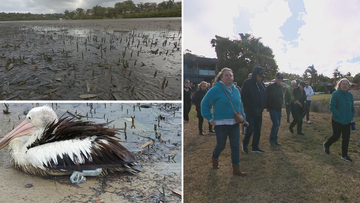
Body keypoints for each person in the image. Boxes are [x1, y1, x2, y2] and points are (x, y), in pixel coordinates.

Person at [201, 67, 248, 176]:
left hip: (234, 123)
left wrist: (244, 119)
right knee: (221, 145)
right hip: (221, 124)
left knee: (235, 146)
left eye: (231, 75)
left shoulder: (236, 90)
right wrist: (210, 118)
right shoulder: (215, 90)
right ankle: (215, 158)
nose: (229, 77)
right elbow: (204, 104)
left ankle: (236, 169)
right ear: (221, 77)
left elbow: (239, 106)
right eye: (226, 75)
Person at [323, 78, 355, 162]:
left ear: (348, 86)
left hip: (347, 121)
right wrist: (338, 116)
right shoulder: (336, 94)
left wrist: (351, 115)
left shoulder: (350, 95)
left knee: (346, 138)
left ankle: (344, 155)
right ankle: (326, 144)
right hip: (337, 120)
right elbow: (332, 106)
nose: (345, 85)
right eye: (343, 84)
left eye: (346, 84)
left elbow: (352, 107)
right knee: (336, 136)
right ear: (339, 85)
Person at [241, 66, 267, 153]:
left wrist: (263, 106)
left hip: (259, 112)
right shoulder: (247, 83)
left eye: (262, 76)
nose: (261, 77)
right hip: (250, 112)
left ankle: (255, 147)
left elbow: (264, 96)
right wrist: (251, 107)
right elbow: (243, 96)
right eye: (259, 75)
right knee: (250, 128)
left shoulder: (261, 85)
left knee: (258, 129)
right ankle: (245, 144)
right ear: (255, 74)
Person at [266, 73, 284, 146]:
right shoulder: (271, 87)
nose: (280, 79)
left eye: (281, 78)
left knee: (278, 124)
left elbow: (281, 97)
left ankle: (275, 139)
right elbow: (266, 97)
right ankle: (272, 139)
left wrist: (282, 103)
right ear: (275, 78)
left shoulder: (281, 87)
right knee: (276, 123)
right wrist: (267, 106)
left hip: (279, 108)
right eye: (278, 77)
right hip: (272, 107)